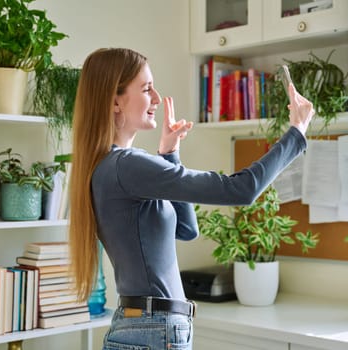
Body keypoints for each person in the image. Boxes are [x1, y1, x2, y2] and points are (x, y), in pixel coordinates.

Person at [68, 47, 314, 350]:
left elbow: (186, 229)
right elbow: (241, 189)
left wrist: (170, 156)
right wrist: (296, 134)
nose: (157, 99)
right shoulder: (127, 165)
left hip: (145, 326)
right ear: (115, 101)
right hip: (153, 328)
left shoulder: (112, 166)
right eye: (146, 89)